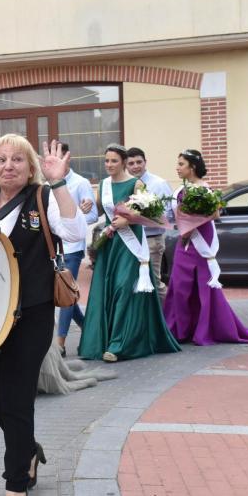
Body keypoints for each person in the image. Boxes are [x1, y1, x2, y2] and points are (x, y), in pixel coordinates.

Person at [0, 134, 85, 496]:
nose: (8, 166)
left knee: (15, 400)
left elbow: (75, 232)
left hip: (30, 314)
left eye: (17, 159)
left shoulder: (41, 198)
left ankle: (15, 483)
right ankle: (28, 449)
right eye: (1, 159)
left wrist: (58, 182)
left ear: (31, 166)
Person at [163, 150, 248, 345]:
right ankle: (180, 328)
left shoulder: (205, 189)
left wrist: (192, 225)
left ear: (192, 167)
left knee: (203, 285)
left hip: (200, 238)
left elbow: (216, 214)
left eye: (181, 164)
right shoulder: (180, 190)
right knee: (179, 286)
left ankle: (203, 328)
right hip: (184, 240)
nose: (177, 168)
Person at [78, 144, 180, 362]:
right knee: (109, 290)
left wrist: (129, 218)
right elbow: (97, 212)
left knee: (124, 289)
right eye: (106, 161)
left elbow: (154, 215)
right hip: (110, 246)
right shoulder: (103, 185)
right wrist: (86, 206)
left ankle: (118, 345)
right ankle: (103, 341)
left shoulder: (137, 184)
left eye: (113, 161)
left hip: (131, 246)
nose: (109, 165)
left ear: (123, 162)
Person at [55, 142, 98, 358]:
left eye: (59, 157)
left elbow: (93, 214)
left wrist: (77, 215)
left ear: (67, 158)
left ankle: (59, 344)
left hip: (72, 247)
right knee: (65, 294)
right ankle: (88, 326)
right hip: (52, 249)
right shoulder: (47, 184)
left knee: (65, 294)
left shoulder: (80, 183)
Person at [127, 147, 173, 298]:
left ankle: (167, 319)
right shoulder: (128, 184)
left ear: (145, 162)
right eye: (131, 163)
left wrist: (138, 217)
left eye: (139, 162)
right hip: (131, 240)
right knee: (136, 283)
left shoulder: (159, 184)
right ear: (126, 166)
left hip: (151, 240)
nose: (135, 166)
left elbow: (167, 215)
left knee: (154, 283)